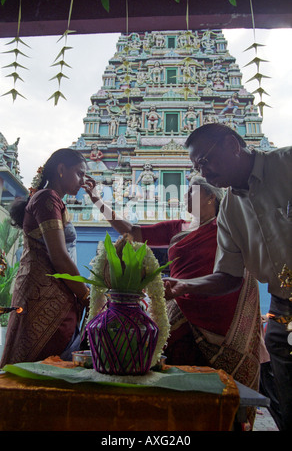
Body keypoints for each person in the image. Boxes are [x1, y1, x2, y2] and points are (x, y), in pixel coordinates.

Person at [85, 175, 261, 419]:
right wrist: (97, 200)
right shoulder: (176, 228)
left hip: (221, 312)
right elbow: (130, 231)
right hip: (179, 305)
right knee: (172, 370)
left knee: (222, 390)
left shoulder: (228, 226)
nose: (185, 196)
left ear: (211, 196)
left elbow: (236, 270)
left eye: (192, 191)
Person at [164, 123, 292, 431]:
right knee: (288, 403)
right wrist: (184, 285)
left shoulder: (286, 165)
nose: (204, 172)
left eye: (206, 161)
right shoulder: (231, 210)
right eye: (197, 167)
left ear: (233, 145)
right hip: (283, 310)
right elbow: (228, 276)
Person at [0, 149, 96, 367]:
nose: (83, 181)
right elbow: (59, 256)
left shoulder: (53, 201)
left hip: (51, 295)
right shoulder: (47, 198)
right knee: (38, 372)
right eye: (79, 174)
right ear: (61, 170)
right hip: (43, 298)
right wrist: (86, 295)